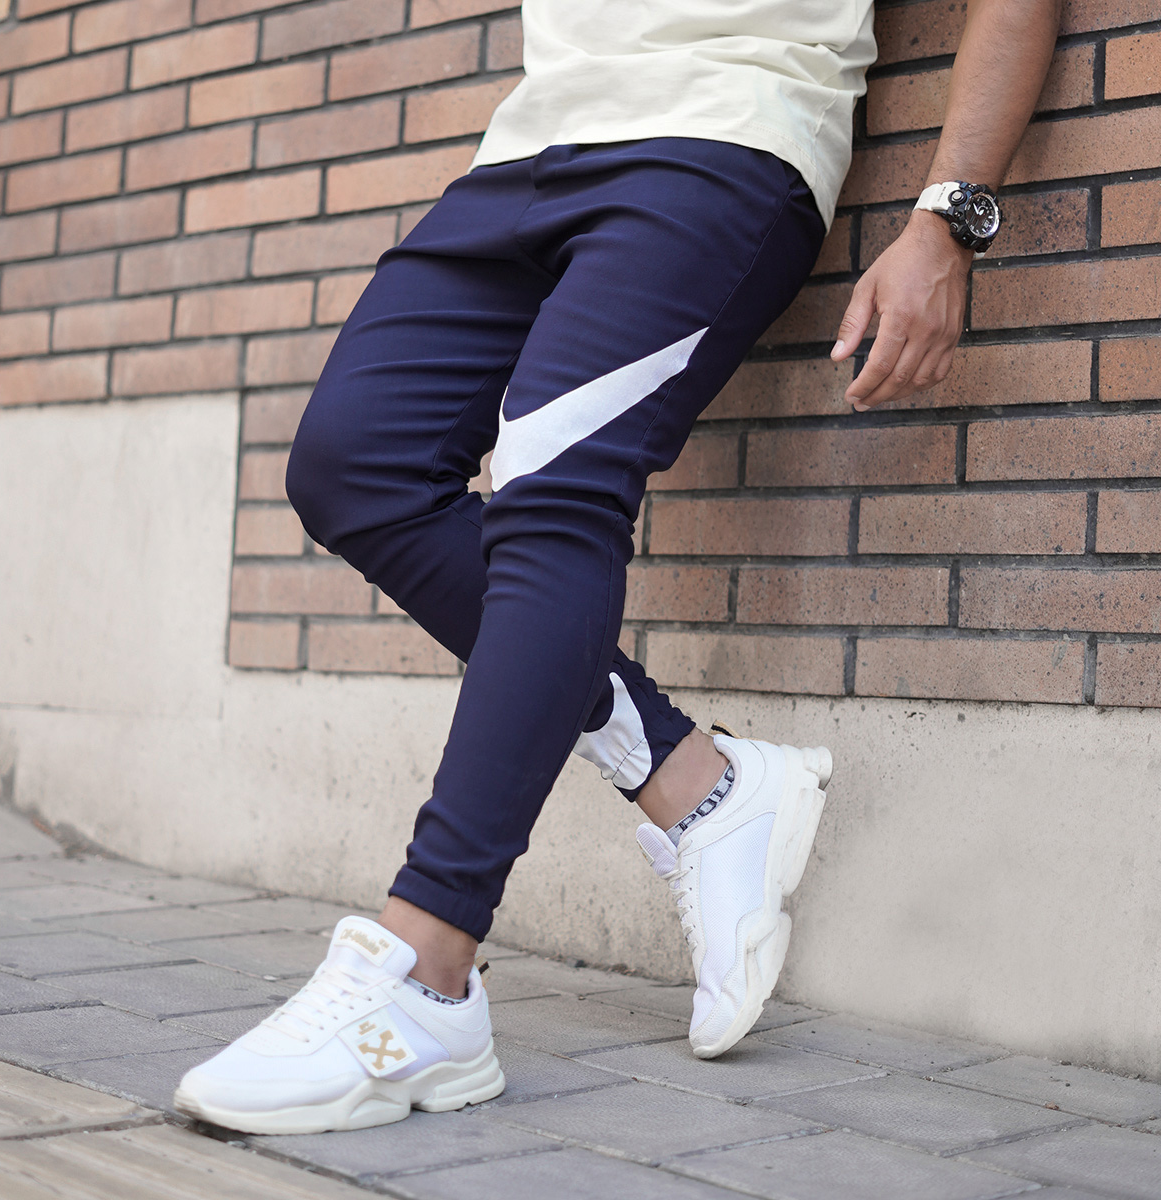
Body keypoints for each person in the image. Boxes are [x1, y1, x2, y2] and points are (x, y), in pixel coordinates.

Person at [174, 0, 1062, 1134]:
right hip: (529, 145)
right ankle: (702, 785)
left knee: (552, 498)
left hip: (721, 136)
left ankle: (425, 975)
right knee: (352, 467)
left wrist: (949, 221)